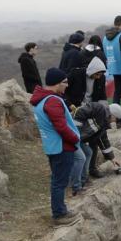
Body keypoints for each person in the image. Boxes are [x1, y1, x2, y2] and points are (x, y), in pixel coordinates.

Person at [30, 68, 81, 226]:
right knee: (60, 182)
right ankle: (59, 214)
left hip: (52, 146)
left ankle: (60, 209)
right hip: (61, 147)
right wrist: (75, 138)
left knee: (57, 180)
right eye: (65, 82)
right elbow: (61, 127)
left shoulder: (41, 100)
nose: (67, 85)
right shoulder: (52, 101)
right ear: (57, 83)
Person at [73, 99, 121, 178]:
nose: (114, 122)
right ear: (113, 115)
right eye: (116, 119)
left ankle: (92, 170)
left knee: (94, 147)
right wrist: (76, 129)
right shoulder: (98, 108)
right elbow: (80, 111)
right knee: (87, 153)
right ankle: (82, 178)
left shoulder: (105, 122)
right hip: (75, 134)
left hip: (84, 137)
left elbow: (103, 140)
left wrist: (112, 158)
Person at [103, 16, 121, 127]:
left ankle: (117, 120)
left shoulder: (105, 38)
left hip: (113, 68)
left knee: (117, 93)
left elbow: (105, 53)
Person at [59, 33, 89, 108]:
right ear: (79, 42)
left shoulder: (66, 51)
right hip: (72, 87)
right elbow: (74, 71)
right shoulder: (75, 53)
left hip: (64, 83)